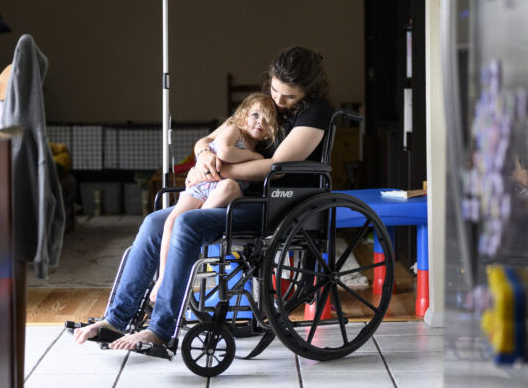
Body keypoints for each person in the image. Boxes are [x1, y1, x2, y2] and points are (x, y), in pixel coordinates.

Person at [73, 46, 334, 351]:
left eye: (288, 96)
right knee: (154, 222)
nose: (278, 101)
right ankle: (116, 320)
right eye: (275, 90)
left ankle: (160, 330)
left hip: (272, 204)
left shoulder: (317, 112)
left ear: (309, 90)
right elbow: (208, 140)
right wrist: (203, 159)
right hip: (228, 193)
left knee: (186, 225)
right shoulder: (263, 105)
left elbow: (278, 166)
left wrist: (223, 167)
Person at [148, 92, 279, 303]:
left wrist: (258, 156)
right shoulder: (234, 130)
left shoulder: (259, 148)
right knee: (172, 221)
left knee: (231, 187)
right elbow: (225, 153)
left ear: (269, 132)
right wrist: (255, 157)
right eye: (255, 115)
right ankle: (163, 276)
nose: (259, 122)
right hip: (203, 185)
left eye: (266, 120)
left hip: (222, 191)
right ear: (244, 115)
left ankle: (195, 226)